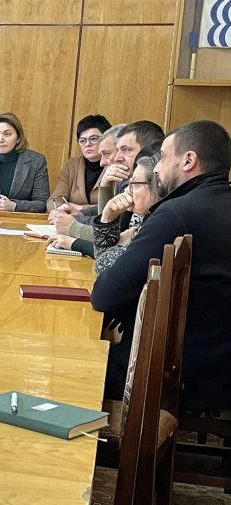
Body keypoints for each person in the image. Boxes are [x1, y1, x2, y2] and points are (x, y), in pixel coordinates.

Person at [92, 120, 231, 411]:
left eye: (164, 157)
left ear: (188, 160)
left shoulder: (177, 213)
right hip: (217, 362)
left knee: (73, 357)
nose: (156, 169)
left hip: (177, 371)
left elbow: (106, 296)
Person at [48, 145, 160, 260]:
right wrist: (103, 189)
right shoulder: (135, 191)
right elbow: (112, 244)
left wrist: (75, 237)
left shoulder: (158, 220)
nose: (117, 158)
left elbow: (110, 255)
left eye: (126, 150)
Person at [49, 114, 112, 208]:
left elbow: (117, 207)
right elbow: (53, 201)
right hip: (70, 216)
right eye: (82, 140)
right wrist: (64, 208)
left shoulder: (116, 164)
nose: (87, 144)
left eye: (93, 139)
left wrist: (81, 208)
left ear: (107, 139)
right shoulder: (72, 165)